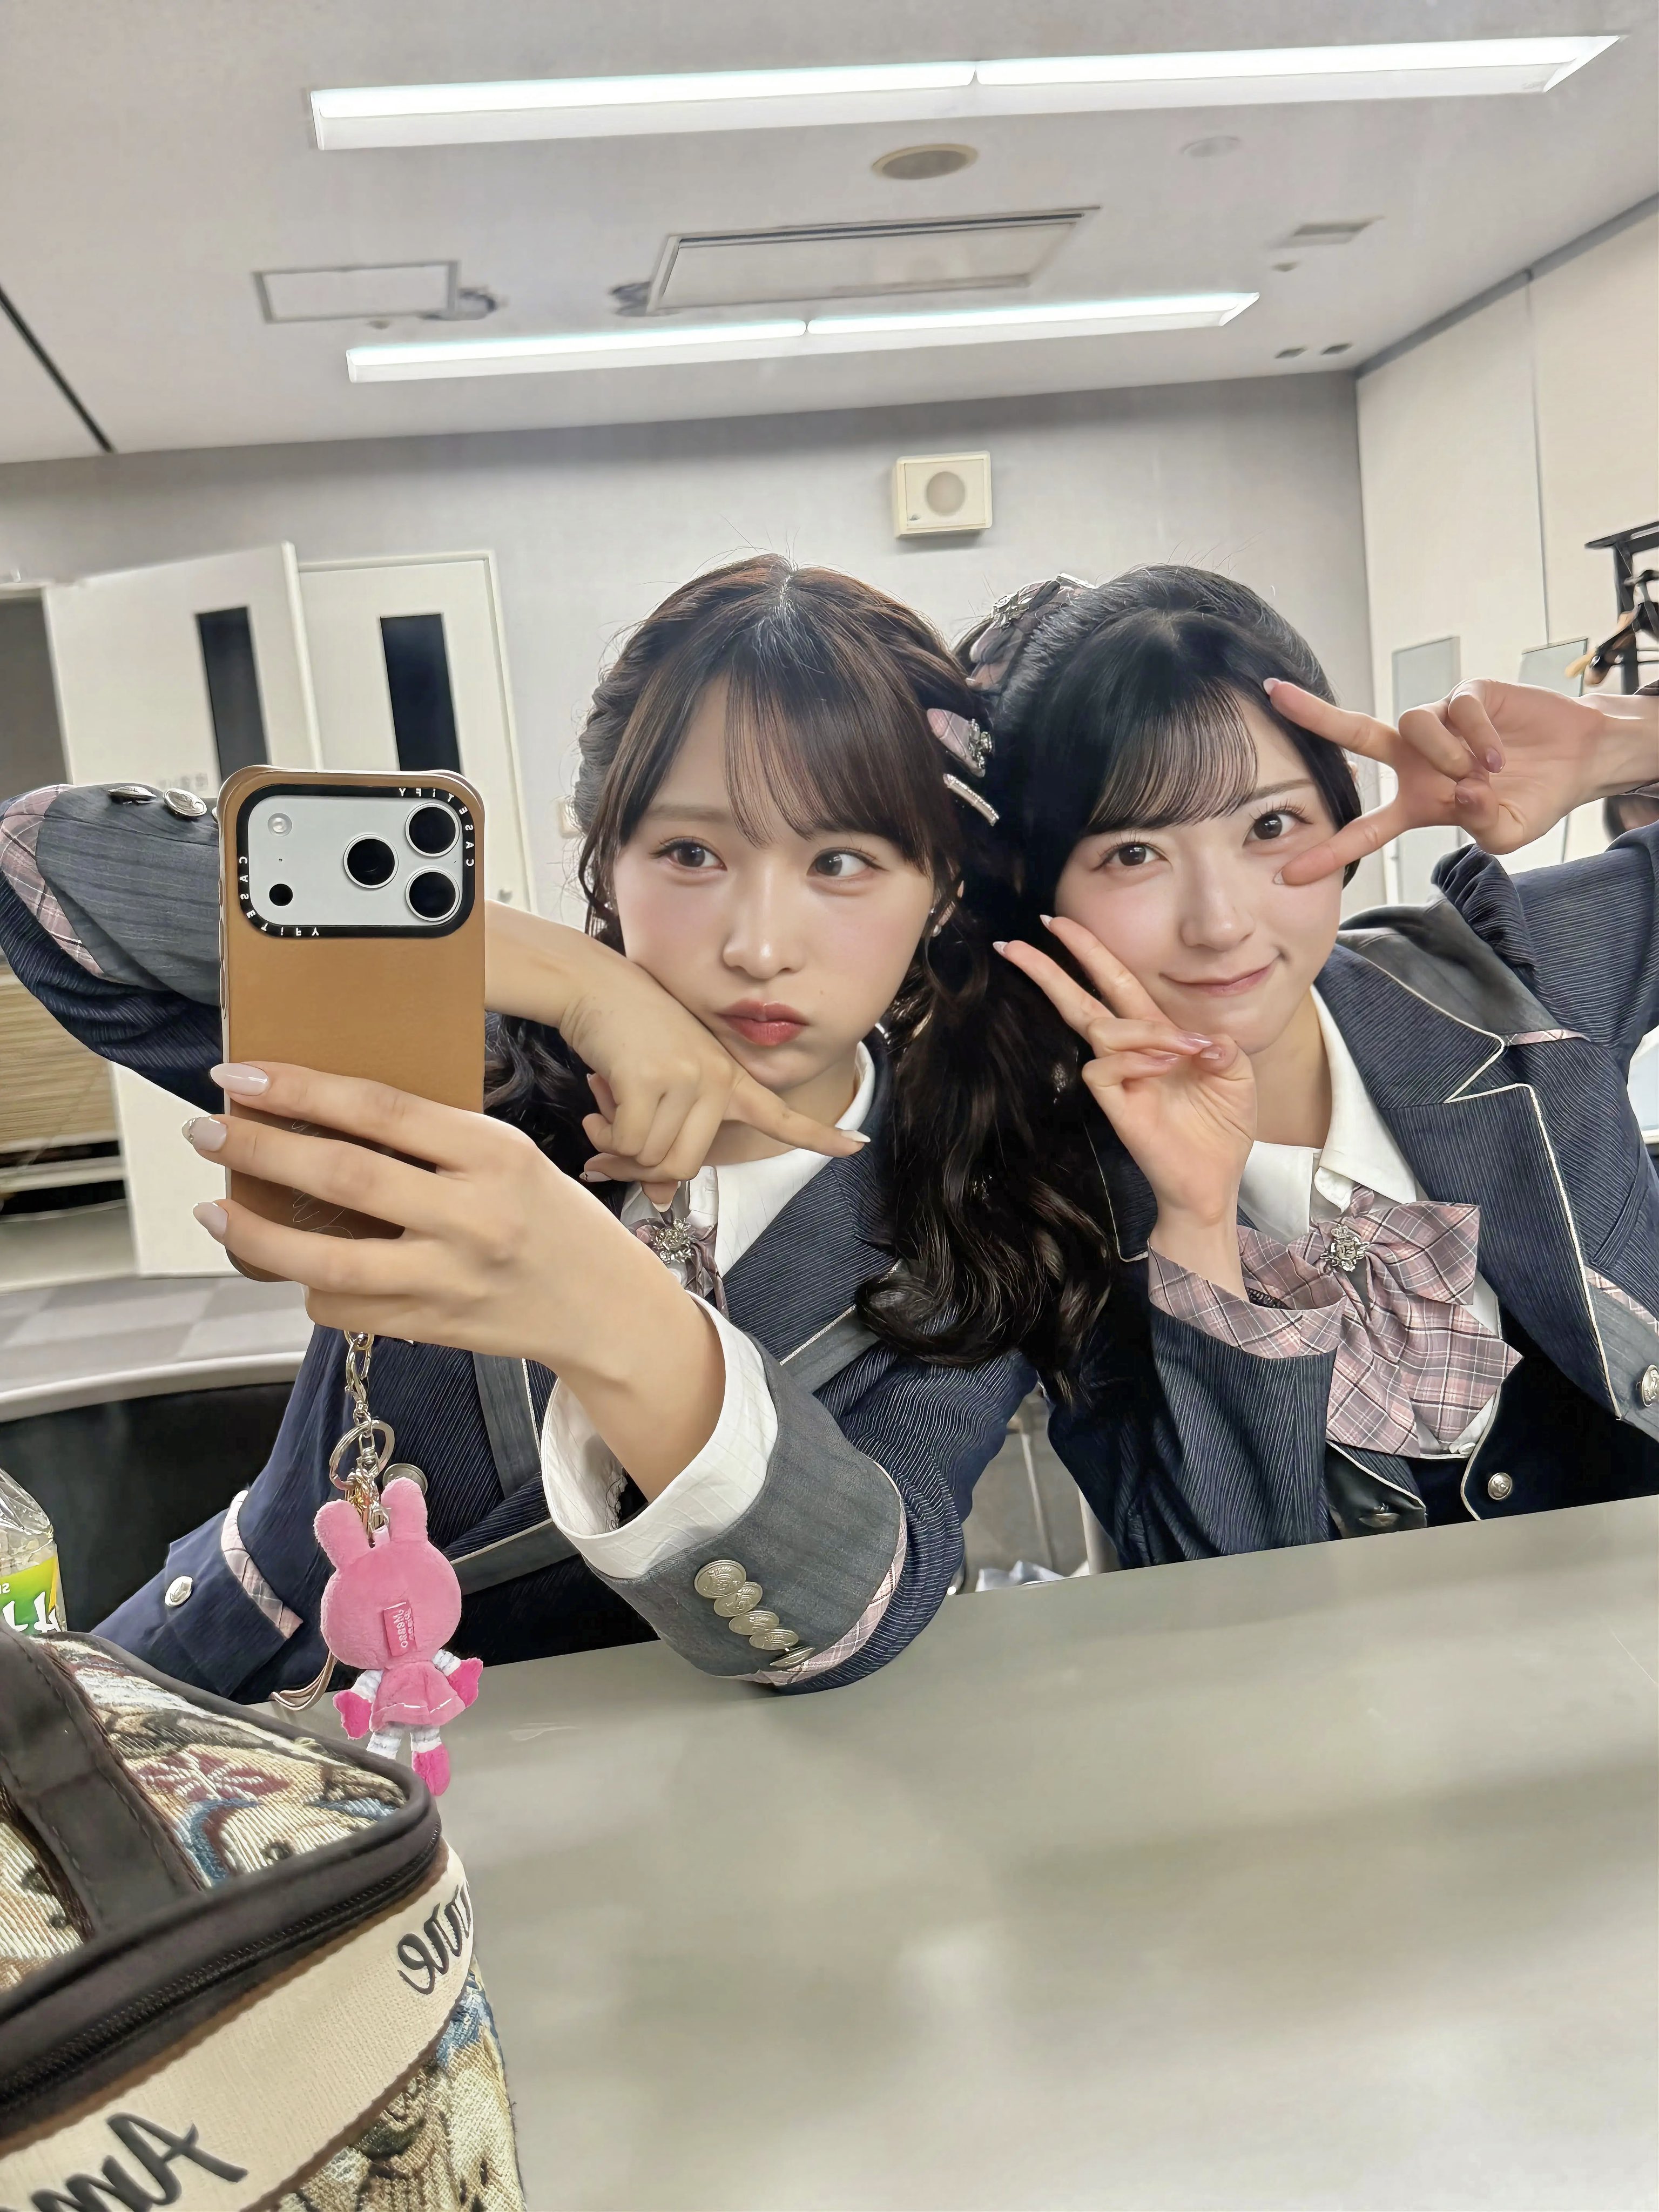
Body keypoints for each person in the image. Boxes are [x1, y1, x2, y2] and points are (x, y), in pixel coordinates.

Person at [0, 556, 1033, 1695]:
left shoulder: (976, 1219)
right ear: (606, 855)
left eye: (841, 862)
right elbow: (41, 872)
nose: (758, 944)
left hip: (592, 1772)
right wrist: (562, 974)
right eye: (690, 853)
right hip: (225, 1705)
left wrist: (603, 1308)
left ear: (940, 887)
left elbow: (850, 1611)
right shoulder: (463, 1052)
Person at [907, 567, 1659, 1564]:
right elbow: (1218, 1580)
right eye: (1133, 853)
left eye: (1270, 826)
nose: (1220, 923)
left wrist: (1625, 745)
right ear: (1042, 887)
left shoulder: (1507, 975)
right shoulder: (1045, 1198)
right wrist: (1198, 1228)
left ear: (1345, 820)